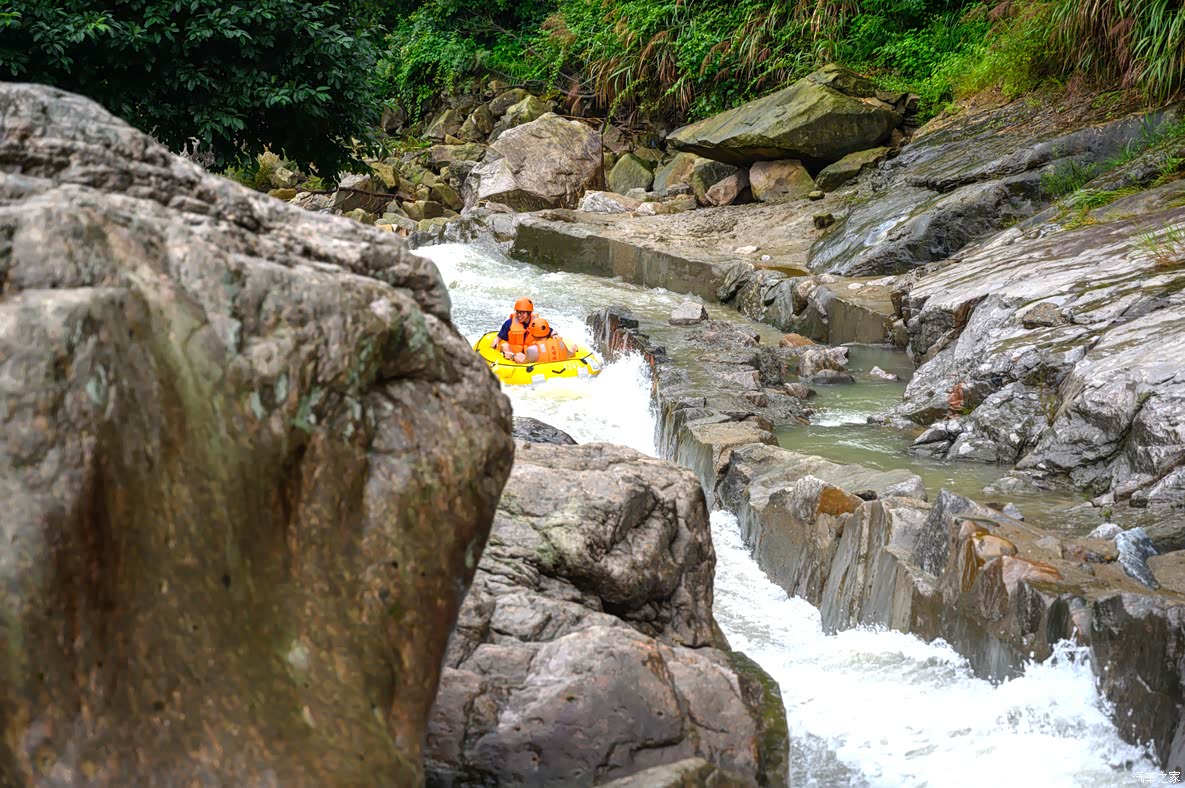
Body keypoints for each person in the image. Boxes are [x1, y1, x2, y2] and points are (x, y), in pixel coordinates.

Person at [493, 297, 536, 361]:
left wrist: (554, 334)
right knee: (505, 346)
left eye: (522, 313)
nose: (519, 315)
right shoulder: (509, 323)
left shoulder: (536, 323)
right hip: (512, 355)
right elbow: (498, 338)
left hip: (528, 355)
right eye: (517, 312)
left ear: (529, 313)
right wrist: (493, 346)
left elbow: (549, 331)